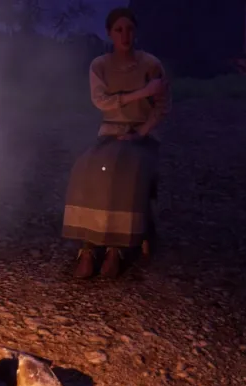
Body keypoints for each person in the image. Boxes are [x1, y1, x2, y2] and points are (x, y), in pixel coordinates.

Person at [61, 7, 171, 279]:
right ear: (109, 33)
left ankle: (115, 247)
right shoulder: (100, 65)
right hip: (109, 132)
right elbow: (102, 101)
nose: (125, 35)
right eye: (119, 30)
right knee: (86, 167)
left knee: (124, 169)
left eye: (129, 29)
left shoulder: (150, 64)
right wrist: (142, 92)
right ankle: (88, 246)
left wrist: (140, 132)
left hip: (140, 134)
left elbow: (162, 105)